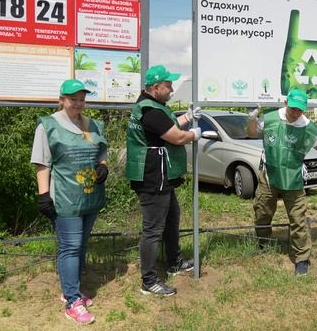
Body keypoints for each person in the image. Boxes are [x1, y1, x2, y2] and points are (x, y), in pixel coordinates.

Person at [31, 79, 108, 324]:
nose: (78, 103)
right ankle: (73, 301)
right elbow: (42, 163)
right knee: (70, 247)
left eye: (82, 99)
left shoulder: (93, 125)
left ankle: (70, 290)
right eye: (73, 99)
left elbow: (102, 153)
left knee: (81, 245)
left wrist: (103, 167)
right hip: (65, 198)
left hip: (89, 197)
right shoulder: (48, 125)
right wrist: (43, 195)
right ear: (62, 99)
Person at [247, 89, 317, 276]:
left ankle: (302, 259)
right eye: (293, 108)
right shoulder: (270, 119)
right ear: (286, 102)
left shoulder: (307, 126)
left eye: (300, 110)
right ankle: (264, 245)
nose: (295, 113)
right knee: (262, 212)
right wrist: (252, 118)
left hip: (293, 180)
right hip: (269, 177)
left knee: (298, 220)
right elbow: (252, 133)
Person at [126, 65, 201, 296]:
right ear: (155, 87)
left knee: (171, 219)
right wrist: (194, 134)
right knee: (153, 229)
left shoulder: (154, 106)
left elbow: (168, 125)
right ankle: (149, 281)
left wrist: (188, 117)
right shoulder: (150, 111)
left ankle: (174, 262)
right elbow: (176, 137)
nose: (171, 89)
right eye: (168, 85)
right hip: (153, 178)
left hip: (161, 177)